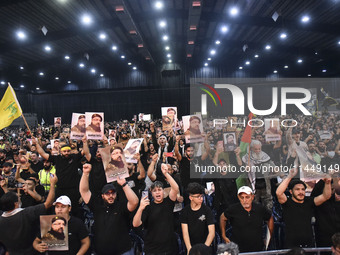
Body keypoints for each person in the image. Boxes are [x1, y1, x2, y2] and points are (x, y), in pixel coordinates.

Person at [79, 163, 138, 255]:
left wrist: (124, 184)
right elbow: (84, 191)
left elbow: (134, 202)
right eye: (107, 193)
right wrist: (85, 173)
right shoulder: (97, 206)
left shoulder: (121, 206)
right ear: (102, 196)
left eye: (113, 193)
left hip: (123, 251)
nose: (111, 196)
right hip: (101, 251)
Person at [0, 174, 57, 255]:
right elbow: (48, 203)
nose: (20, 197)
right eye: (18, 198)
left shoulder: (1, 220)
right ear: (16, 204)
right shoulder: (26, 214)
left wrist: (5, 188)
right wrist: (52, 184)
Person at [276, 167, 332, 248]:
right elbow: (278, 193)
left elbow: (326, 196)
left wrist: (327, 183)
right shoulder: (287, 202)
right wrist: (290, 176)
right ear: (291, 192)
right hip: (292, 246)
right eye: (297, 189)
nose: (301, 192)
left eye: (303, 189)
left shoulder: (309, 201)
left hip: (308, 245)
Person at [133, 164, 180, 255]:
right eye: (155, 191)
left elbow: (175, 188)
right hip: (153, 249)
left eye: (159, 190)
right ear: (151, 193)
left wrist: (166, 174)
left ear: (163, 191)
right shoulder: (147, 207)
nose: (157, 192)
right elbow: (135, 224)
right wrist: (140, 208)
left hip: (170, 248)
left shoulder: (168, 202)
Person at [220, 186, 274, 252]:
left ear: (252, 197)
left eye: (247, 197)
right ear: (238, 198)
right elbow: (222, 218)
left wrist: (269, 237)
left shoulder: (259, 209)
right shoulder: (233, 209)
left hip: (257, 249)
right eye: (242, 198)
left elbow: (270, 218)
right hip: (238, 250)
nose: (244, 200)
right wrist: (223, 235)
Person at [181, 182, 215, 254]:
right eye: (198, 197)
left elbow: (211, 232)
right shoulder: (185, 211)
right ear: (191, 198)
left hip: (205, 246)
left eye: (202, 196)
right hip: (192, 247)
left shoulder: (207, 210)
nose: (201, 199)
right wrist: (189, 249)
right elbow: (185, 233)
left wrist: (204, 249)